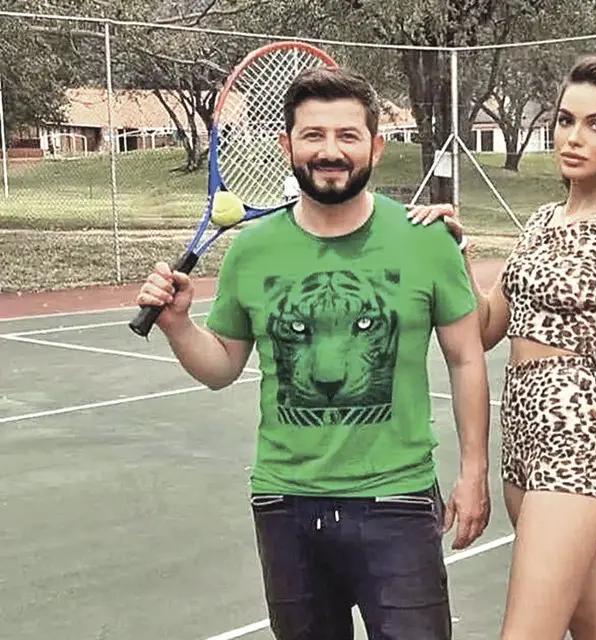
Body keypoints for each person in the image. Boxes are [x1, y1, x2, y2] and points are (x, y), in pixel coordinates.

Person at [134, 66, 492, 640]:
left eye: (348, 135)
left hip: (397, 498)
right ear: (287, 145)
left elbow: (467, 359)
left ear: (376, 146)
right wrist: (178, 326)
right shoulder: (252, 250)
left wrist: (474, 473)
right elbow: (221, 366)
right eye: (313, 135)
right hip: (286, 502)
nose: (330, 151)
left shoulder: (426, 240)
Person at [406, 56, 596, 639]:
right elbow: (487, 326)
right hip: (521, 436)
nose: (573, 137)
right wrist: (454, 252)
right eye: (566, 120)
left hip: (577, 441)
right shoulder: (542, 220)